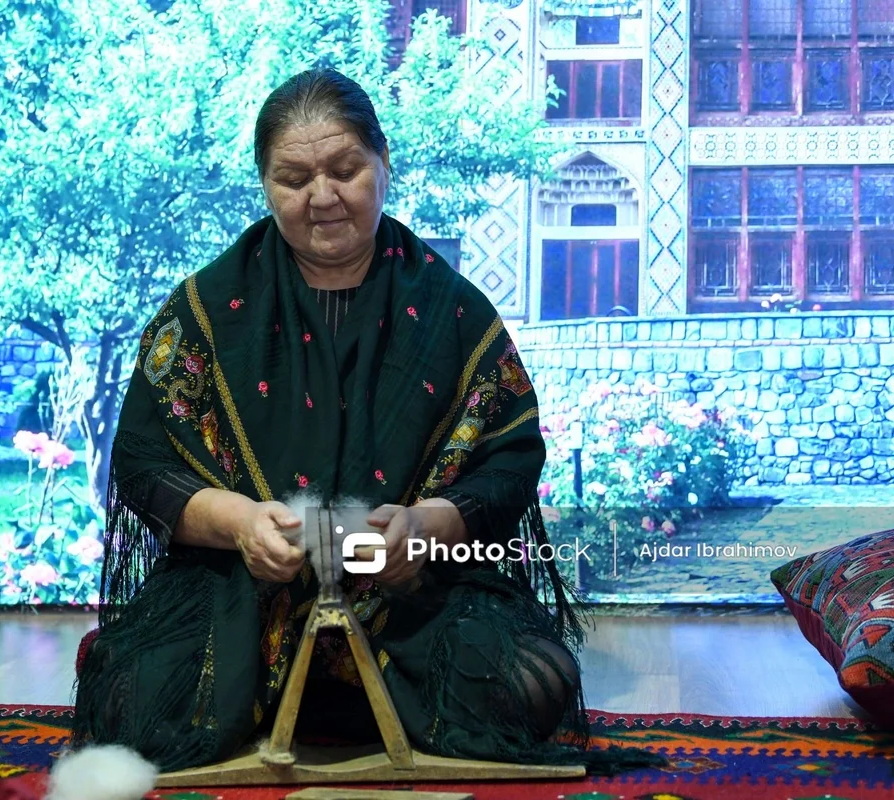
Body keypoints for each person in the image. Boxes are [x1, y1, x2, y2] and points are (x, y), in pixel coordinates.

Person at [72, 68, 663, 776]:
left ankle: (307, 700)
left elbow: (509, 460)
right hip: (237, 594)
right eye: (292, 179)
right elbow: (143, 461)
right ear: (262, 184)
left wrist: (426, 528)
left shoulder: (449, 309)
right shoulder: (206, 309)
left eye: (345, 170)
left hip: (415, 597)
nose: (322, 197)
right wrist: (238, 525)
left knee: (533, 682)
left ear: (385, 164)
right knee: (128, 691)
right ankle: (308, 695)